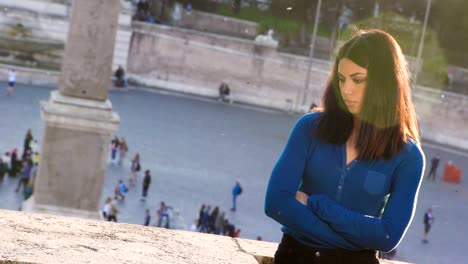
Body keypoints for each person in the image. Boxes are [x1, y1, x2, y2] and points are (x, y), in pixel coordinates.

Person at [265, 29, 425, 264]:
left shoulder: (409, 156)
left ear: (384, 83)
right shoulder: (309, 127)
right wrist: (355, 241)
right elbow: (276, 204)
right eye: (341, 79)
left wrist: (316, 204)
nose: (346, 89)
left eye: (358, 79)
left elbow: (389, 236)